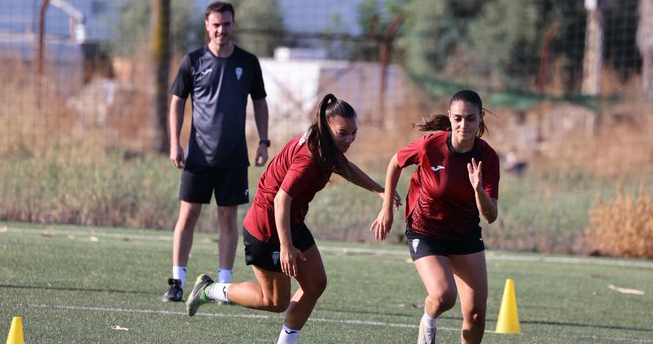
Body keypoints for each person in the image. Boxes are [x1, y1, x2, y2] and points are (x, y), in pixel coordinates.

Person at [185, 94, 401, 344]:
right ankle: (210, 290)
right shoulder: (309, 157)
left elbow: (346, 167)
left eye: (354, 133)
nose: (350, 139)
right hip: (266, 228)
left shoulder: (325, 144)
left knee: (316, 283)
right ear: (326, 126)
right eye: (344, 133)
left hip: (290, 222)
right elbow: (281, 200)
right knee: (275, 301)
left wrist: (380, 190)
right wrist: (286, 248)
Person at [371, 89, 499, 344]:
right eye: (458, 118)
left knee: (475, 314)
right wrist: (386, 206)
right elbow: (395, 162)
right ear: (450, 117)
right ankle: (428, 320)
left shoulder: (487, 157)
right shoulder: (430, 146)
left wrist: (478, 190)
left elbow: (491, 215)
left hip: (464, 234)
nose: (464, 125)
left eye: (471, 119)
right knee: (443, 296)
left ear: (481, 117)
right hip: (426, 230)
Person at [162, 1, 270, 302]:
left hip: (234, 157)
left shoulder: (248, 62)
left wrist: (264, 141)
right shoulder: (193, 60)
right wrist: (175, 142)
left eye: (226, 24)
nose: (221, 30)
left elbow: (260, 102)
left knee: (228, 218)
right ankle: (177, 282)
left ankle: (223, 287)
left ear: (233, 25)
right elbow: (176, 100)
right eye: (216, 25)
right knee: (188, 215)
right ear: (207, 27)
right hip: (198, 155)